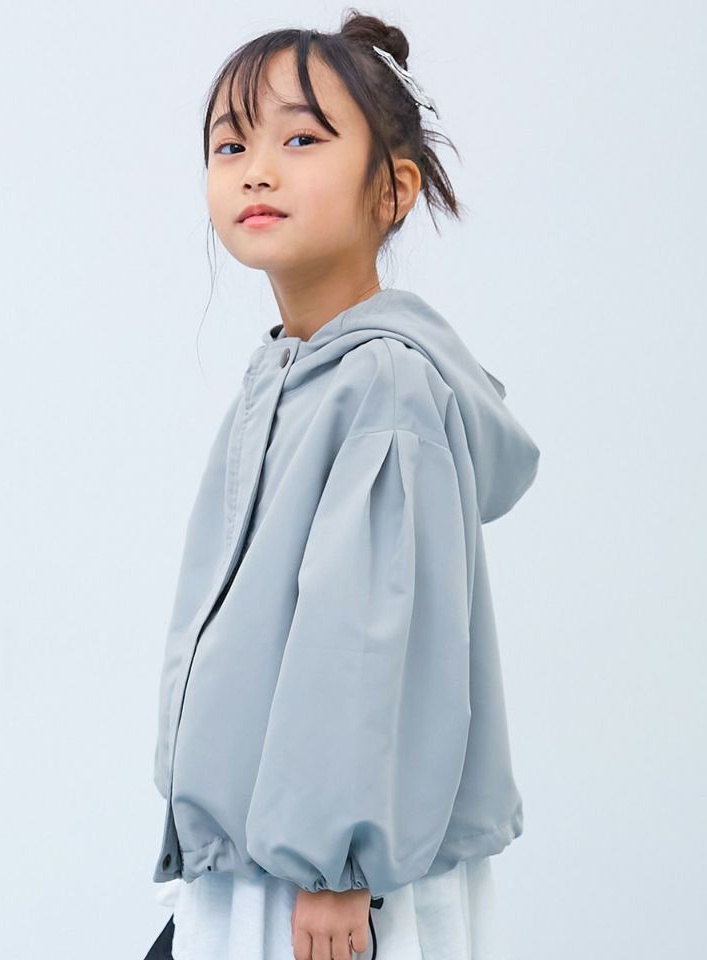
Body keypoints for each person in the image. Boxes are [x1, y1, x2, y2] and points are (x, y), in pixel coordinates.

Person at [145, 9, 541, 960]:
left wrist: (337, 868)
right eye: (231, 144)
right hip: (263, 853)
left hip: (327, 881)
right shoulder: (288, 373)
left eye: (302, 140)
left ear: (393, 189)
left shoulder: (384, 385)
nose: (257, 170)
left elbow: (363, 636)